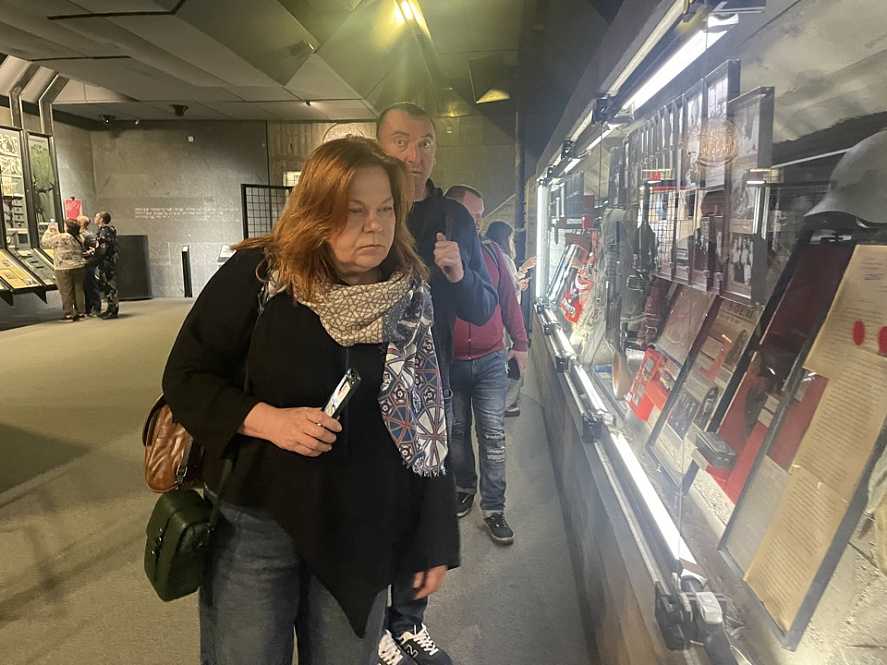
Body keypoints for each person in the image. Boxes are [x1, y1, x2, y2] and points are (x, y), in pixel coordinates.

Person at [161, 137, 459, 665]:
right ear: (318, 213)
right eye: (355, 211)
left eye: (386, 209)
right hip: (258, 520)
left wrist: (433, 536)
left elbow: (428, 419)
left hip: (363, 522)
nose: (375, 226)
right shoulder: (263, 275)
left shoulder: (410, 293)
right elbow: (186, 376)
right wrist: (266, 420)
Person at [376, 102, 497, 665]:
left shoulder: (454, 218)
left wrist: (458, 271)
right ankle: (372, 624)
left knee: (419, 505)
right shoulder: (365, 209)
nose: (413, 155)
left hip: (430, 386)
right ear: (379, 145)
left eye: (425, 142)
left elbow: (483, 307)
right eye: (400, 141)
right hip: (363, 385)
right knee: (370, 504)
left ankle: (407, 622)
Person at [444, 190, 528, 544]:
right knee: (456, 432)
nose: (478, 221)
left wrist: (520, 343)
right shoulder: (436, 255)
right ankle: (464, 487)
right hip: (450, 362)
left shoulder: (491, 253)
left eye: (481, 214)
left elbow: (508, 299)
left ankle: (494, 508)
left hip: (491, 359)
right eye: (472, 214)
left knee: (493, 436)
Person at [485, 221, 536, 417]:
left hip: (496, 319)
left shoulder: (490, 253)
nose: (513, 242)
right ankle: (506, 403)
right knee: (511, 360)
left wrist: (521, 273)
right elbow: (508, 291)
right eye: (512, 238)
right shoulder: (502, 257)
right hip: (504, 321)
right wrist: (519, 284)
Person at [41, 219, 87, 321]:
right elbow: (67, 240)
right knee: (78, 290)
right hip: (79, 267)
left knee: (66, 291)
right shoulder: (80, 237)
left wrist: (48, 231)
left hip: (63, 268)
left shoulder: (61, 237)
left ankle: (68, 314)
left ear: (67, 227)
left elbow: (45, 242)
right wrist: (57, 234)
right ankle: (81, 313)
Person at [94, 210, 119, 318]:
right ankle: (111, 307)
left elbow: (102, 249)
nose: (95, 218)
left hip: (106, 262)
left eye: (97, 217)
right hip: (110, 260)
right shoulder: (111, 230)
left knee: (108, 285)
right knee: (109, 284)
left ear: (101, 220)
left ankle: (113, 309)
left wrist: (94, 254)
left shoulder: (103, 232)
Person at [77, 214, 102, 316]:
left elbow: (94, 248)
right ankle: (88, 307)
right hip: (82, 262)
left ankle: (96, 306)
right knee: (85, 286)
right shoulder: (80, 234)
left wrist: (87, 253)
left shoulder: (87, 235)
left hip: (88, 263)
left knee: (91, 284)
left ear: (81, 223)